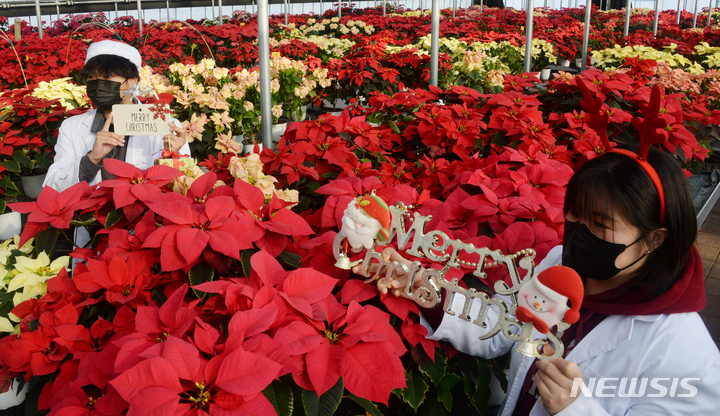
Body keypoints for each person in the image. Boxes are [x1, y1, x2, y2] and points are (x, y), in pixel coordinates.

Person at [364, 146, 720, 415]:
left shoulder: (683, 351)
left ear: (654, 239)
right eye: (575, 216)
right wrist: (423, 286)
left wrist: (575, 409)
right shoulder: (559, 271)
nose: (580, 233)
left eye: (601, 225)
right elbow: (503, 324)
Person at [44, 40, 190, 191]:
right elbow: (54, 186)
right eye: (92, 78)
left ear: (132, 81)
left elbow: (182, 187)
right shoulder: (71, 127)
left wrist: (173, 155)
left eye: (107, 78)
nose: (99, 85)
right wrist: (92, 158)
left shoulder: (166, 125)